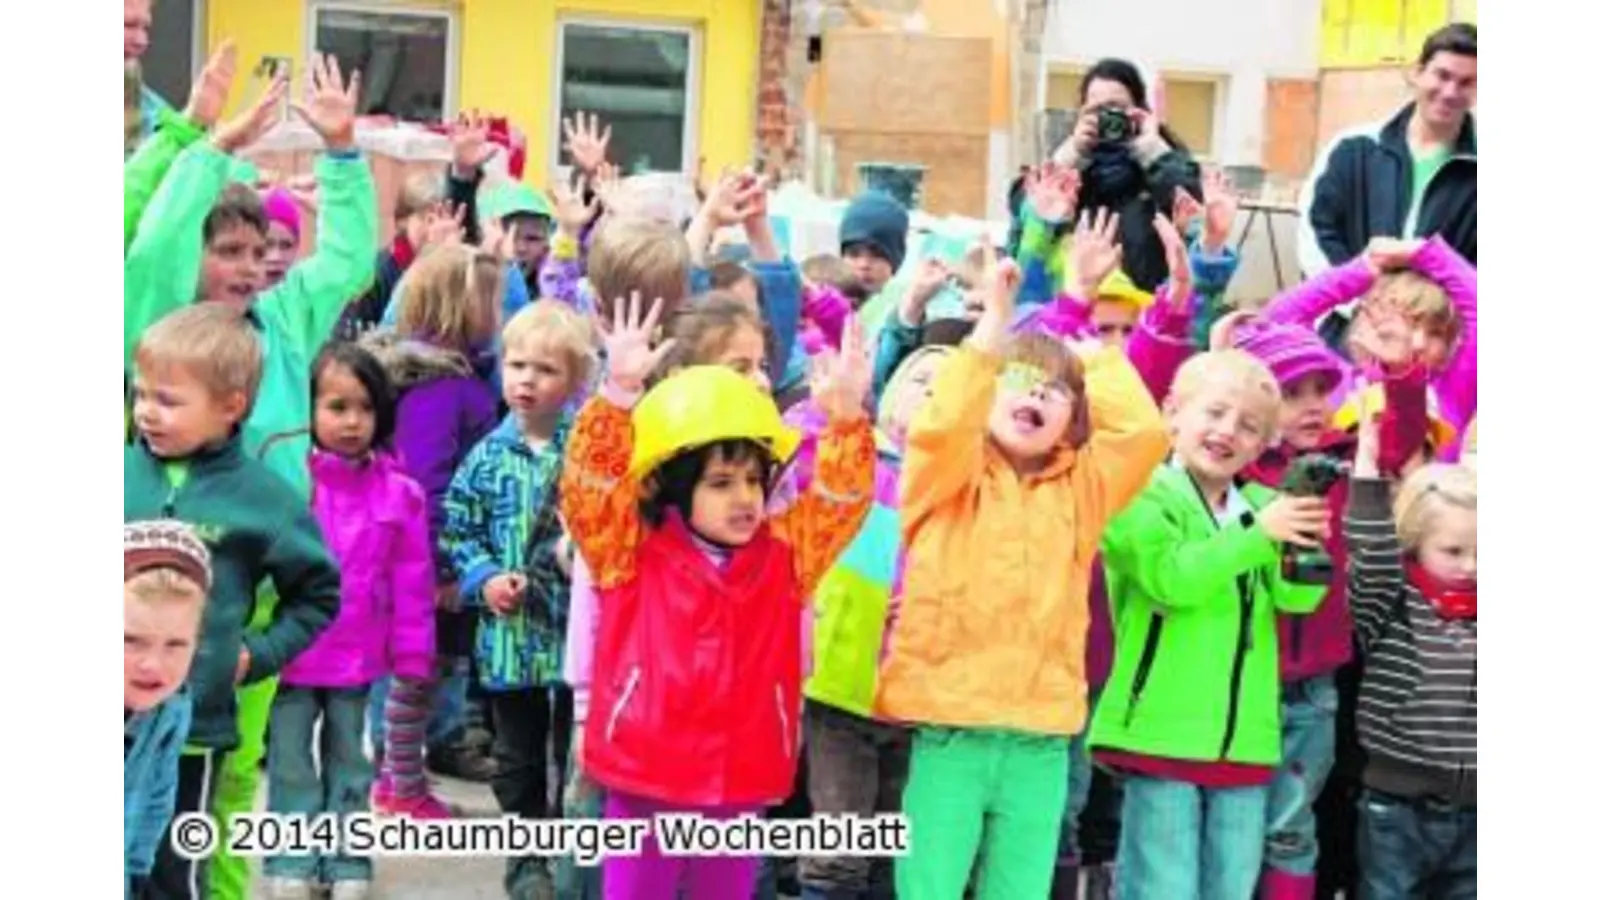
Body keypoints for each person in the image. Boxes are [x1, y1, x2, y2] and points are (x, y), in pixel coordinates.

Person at [559, 295, 877, 899]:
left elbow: (842, 500)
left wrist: (846, 420)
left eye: (755, 480)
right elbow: (588, 491)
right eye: (721, 483)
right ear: (678, 488)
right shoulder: (628, 551)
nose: (745, 498)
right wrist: (617, 396)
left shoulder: (786, 556)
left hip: (740, 776)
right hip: (642, 774)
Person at [873, 249, 1169, 897]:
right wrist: (993, 330)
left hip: (1041, 742)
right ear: (986, 391)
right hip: (949, 735)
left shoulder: (1084, 488)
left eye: (1056, 391)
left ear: (1075, 420)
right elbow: (946, 419)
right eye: (1019, 379)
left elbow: (1146, 436)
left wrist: (1087, 350)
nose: (1037, 391)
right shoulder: (944, 474)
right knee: (930, 887)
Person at [1089, 350, 1329, 900]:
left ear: (1265, 444)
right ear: (1173, 414)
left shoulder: (1266, 504)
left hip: (1244, 740)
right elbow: (1171, 580)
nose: (1227, 432)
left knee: (1231, 886)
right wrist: (1258, 536)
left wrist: (1307, 543)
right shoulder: (1139, 496)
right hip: (1161, 730)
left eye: (1248, 426)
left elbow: (1296, 598)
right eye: (1214, 413)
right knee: (1164, 885)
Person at [125, 304, 341, 900]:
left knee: (172, 873)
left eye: (168, 400)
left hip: (192, 731)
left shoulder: (266, 500)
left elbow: (319, 594)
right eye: (140, 393)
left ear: (231, 406)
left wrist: (257, 654)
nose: (146, 411)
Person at [262, 344, 435, 900]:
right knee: (289, 764)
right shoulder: (289, 486)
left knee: (350, 764)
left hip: (358, 659)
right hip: (289, 655)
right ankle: (291, 856)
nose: (352, 421)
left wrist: (413, 654)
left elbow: (413, 581)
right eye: (336, 406)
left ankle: (348, 861)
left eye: (364, 407)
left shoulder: (399, 493)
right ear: (309, 411)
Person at [443, 301, 597, 898]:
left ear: (575, 382)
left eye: (546, 369)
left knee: (573, 753)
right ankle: (526, 851)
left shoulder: (585, 452)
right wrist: (483, 578)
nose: (527, 380)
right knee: (518, 756)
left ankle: (569, 851)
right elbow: (456, 525)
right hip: (509, 642)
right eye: (517, 365)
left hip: (572, 638)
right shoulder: (485, 457)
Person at [792, 344, 953, 900]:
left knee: (891, 851)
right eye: (922, 379)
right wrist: (832, 407)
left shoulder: (958, 484)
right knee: (838, 849)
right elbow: (801, 456)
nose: (934, 392)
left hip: (917, 698)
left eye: (948, 387)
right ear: (886, 394)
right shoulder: (853, 455)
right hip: (842, 688)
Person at [361, 244, 504, 795]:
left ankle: (402, 778)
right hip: (422, 561)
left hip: (419, 555)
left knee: (425, 672)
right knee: (413, 675)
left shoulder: (455, 374)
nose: (499, 315)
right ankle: (397, 786)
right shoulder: (440, 387)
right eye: (491, 301)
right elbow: (428, 482)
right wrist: (444, 569)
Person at [1344, 405, 1476, 899]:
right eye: (1453, 551)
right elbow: (1371, 549)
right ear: (1417, 544)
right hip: (1397, 809)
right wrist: (1367, 474)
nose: (1470, 567)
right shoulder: (1392, 603)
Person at [1296, 23, 1477, 346]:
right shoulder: (1354, 148)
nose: (1450, 92)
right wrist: (1359, 303)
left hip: (1436, 347)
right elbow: (1315, 232)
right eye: (1442, 75)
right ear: (1417, 73)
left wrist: (1433, 321)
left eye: (1466, 82)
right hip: (1348, 337)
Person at [1261, 236, 1475, 463]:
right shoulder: (1335, 383)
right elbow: (1276, 323)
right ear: (1368, 324)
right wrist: (1361, 271)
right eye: (1408, 325)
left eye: (1436, 333)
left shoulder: (1453, 392)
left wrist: (1426, 253)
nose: (1419, 342)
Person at [1050, 58, 1203, 293]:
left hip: (1146, 308)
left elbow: (1192, 205)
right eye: (1097, 110)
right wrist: (1073, 152)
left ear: (1139, 110)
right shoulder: (1072, 167)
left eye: (1117, 108)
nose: (1110, 118)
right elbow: (1028, 209)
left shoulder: (1161, 160)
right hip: (1081, 307)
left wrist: (1151, 150)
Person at [125, 521, 213, 900]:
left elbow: (156, 804)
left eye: (176, 644)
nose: (153, 666)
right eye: (130, 641)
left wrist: (138, 874)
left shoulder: (172, 707)